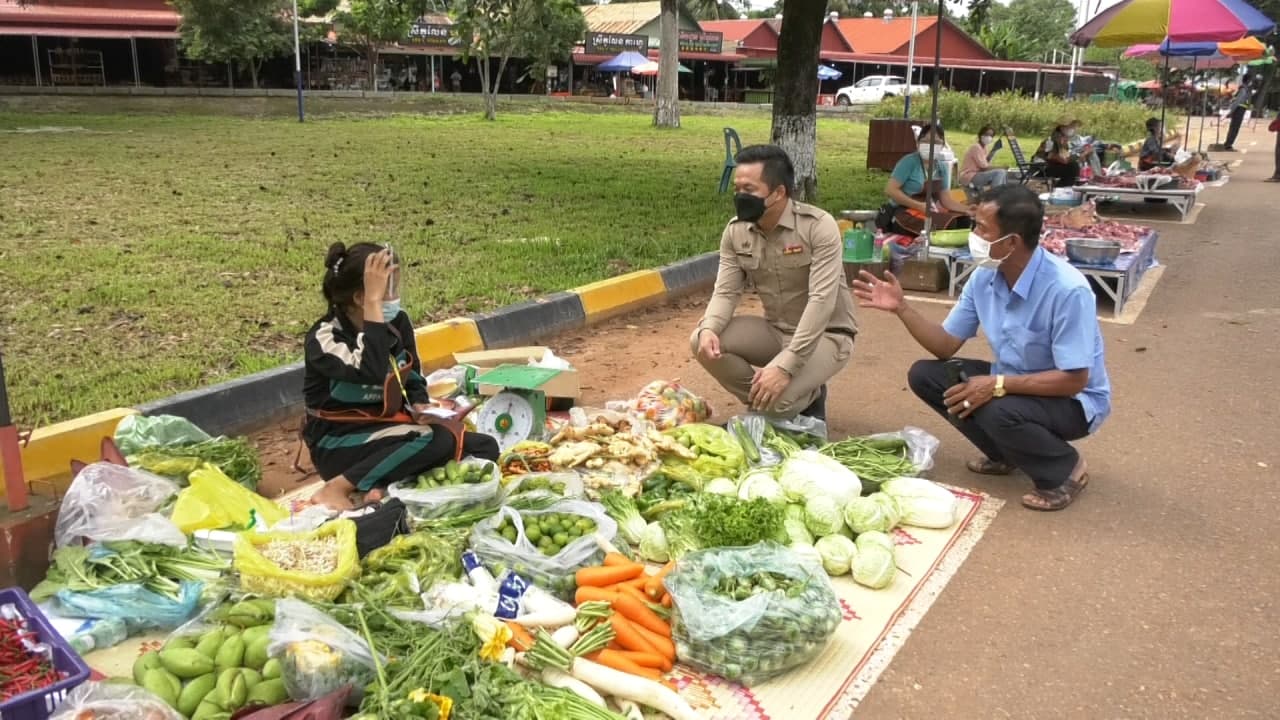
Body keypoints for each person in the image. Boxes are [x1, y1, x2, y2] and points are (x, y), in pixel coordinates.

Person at [852, 184, 1110, 511]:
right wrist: (902, 308)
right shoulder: (985, 277)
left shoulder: (1067, 290)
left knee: (996, 405)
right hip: (1016, 383)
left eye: (982, 228)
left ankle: (1065, 469)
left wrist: (997, 385)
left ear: (1011, 242)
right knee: (927, 376)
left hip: (1072, 401)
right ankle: (1006, 452)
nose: (973, 235)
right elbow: (945, 345)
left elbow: (1075, 380)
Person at [303, 242, 500, 510]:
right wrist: (374, 308)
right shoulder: (324, 338)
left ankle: (380, 489)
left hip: (389, 431)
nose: (395, 297)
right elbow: (370, 371)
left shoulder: (397, 323)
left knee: (484, 447)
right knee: (433, 440)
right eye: (387, 289)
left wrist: (419, 404)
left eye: (396, 286)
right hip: (339, 442)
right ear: (361, 297)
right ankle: (338, 487)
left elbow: (412, 373)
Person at [692, 144, 857, 422]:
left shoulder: (817, 227)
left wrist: (786, 367)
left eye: (750, 190)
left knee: (776, 404)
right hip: (775, 330)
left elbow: (821, 302)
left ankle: (803, 395)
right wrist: (709, 328)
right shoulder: (736, 231)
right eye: (737, 189)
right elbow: (726, 291)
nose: (740, 196)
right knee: (701, 341)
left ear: (778, 192)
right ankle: (770, 399)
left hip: (827, 335)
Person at [884, 123, 972, 235]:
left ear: (942, 146)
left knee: (963, 220)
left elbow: (946, 200)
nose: (930, 145)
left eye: (936, 142)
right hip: (903, 211)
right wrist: (918, 205)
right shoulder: (909, 162)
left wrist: (968, 209)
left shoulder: (942, 168)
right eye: (926, 141)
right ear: (918, 143)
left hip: (926, 212)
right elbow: (890, 190)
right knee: (946, 226)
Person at [960, 126, 1008, 193]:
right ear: (980, 135)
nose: (989, 137)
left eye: (991, 135)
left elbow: (985, 162)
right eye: (986, 134)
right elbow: (984, 168)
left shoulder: (984, 148)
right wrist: (1001, 167)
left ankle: (1001, 195)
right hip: (969, 176)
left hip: (978, 174)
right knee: (1000, 172)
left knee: (1003, 172)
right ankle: (994, 197)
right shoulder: (976, 147)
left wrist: (994, 150)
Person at [1035, 119, 1080, 187]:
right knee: (1073, 167)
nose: (1073, 129)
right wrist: (1079, 155)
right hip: (1041, 169)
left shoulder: (1063, 141)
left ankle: (1061, 188)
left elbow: (1065, 158)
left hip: (1049, 167)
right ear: (1062, 128)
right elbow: (1062, 159)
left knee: (1073, 166)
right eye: (1071, 127)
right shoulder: (1052, 140)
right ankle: (1061, 189)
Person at [1223, 75, 1255, 151]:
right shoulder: (1243, 89)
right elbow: (1237, 101)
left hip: (1240, 110)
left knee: (1234, 128)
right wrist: (1231, 112)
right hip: (1238, 110)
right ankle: (1228, 145)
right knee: (1234, 128)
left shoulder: (1244, 89)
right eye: (1251, 81)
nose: (1251, 83)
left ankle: (1228, 144)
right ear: (1248, 81)